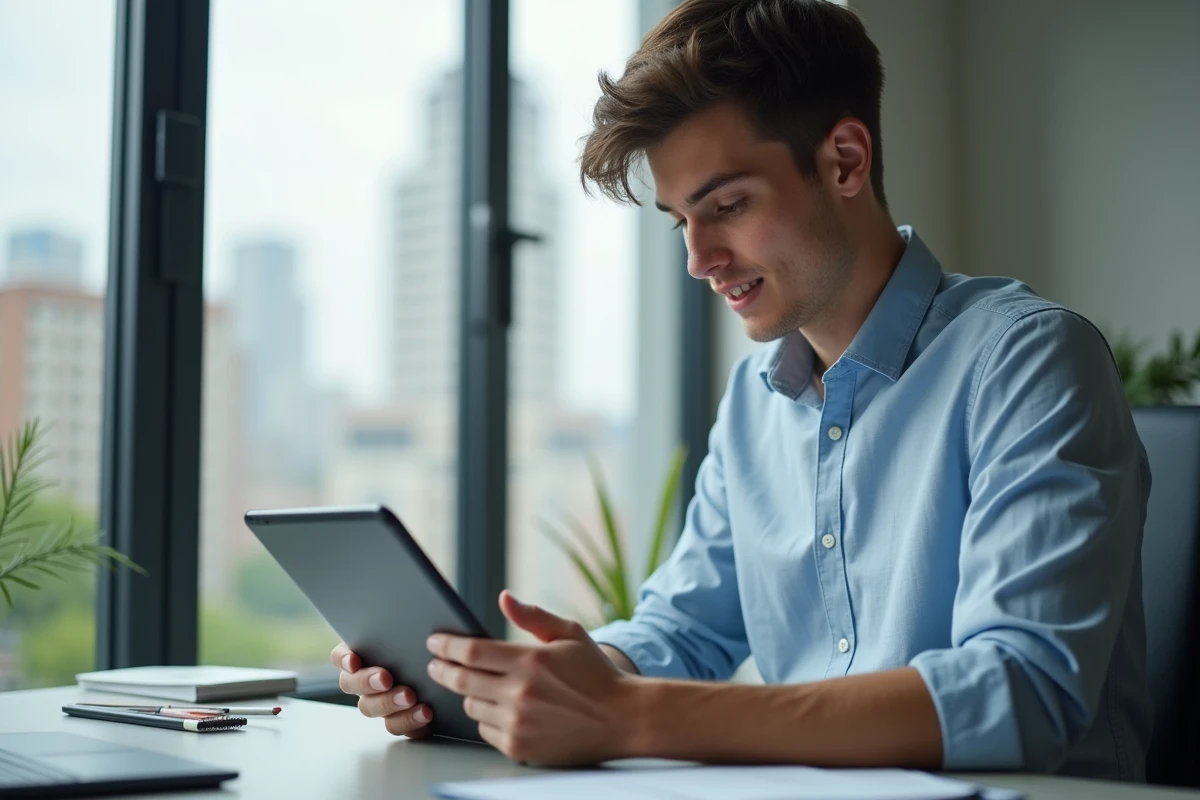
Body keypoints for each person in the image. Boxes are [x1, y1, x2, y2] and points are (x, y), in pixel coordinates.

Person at [333, 0, 1152, 778]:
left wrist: (635, 715)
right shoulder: (757, 399)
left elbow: (1022, 691)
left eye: (727, 205)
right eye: (681, 220)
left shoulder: (1028, 360)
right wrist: (533, 686)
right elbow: (684, 629)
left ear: (845, 160)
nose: (699, 258)